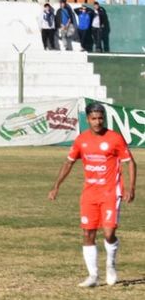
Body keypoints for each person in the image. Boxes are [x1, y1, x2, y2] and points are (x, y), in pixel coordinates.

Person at [48, 102, 137, 288]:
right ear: (87, 119)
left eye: (100, 118)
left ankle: (110, 265)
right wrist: (56, 186)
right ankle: (93, 276)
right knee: (88, 233)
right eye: (94, 118)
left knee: (109, 232)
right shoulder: (81, 140)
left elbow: (130, 162)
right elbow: (68, 162)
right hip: (90, 193)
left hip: (111, 192)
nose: (97, 122)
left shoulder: (114, 138)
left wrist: (131, 187)